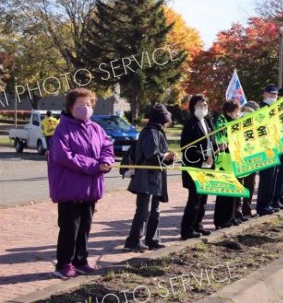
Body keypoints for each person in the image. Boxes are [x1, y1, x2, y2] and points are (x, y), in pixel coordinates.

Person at [48, 88, 114, 279]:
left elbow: (107, 147)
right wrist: (95, 166)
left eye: (88, 104)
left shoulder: (96, 128)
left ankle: (80, 260)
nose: (85, 108)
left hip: (91, 188)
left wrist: (106, 162)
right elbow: (64, 156)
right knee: (70, 227)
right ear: (70, 107)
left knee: (85, 226)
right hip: (70, 188)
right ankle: (63, 264)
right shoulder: (63, 129)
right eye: (80, 104)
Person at [124, 104, 174, 252]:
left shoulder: (157, 131)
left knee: (155, 209)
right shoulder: (150, 132)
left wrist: (168, 158)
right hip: (146, 177)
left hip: (155, 177)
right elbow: (151, 154)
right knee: (143, 210)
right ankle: (133, 241)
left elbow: (158, 154)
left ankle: (152, 239)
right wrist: (165, 156)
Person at [180, 94, 216, 239]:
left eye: (205, 105)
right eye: (200, 105)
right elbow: (186, 147)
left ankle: (198, 225)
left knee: (203, 199)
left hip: (208, 166)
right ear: (193, 107)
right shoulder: (190, 124)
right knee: (194, 199)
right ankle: (187, 229)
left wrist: (218, 147)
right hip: (195, 166)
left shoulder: (208, 122)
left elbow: (211, 142)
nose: (203, 108)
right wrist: (203, 156)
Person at [213, 100, 243, 228]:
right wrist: (224, 142)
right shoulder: (221, 121)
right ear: (229, 112)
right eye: (236, 111)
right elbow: (220, 138)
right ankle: (221, 220)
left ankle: (231, 217)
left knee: (233, 191)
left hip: (234, 159)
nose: (238, 113)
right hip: (224, 160)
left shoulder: (236, 122)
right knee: (224, 192)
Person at [256, 84, 280, 216]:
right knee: (266, 178)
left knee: (273, 177)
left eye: (275, 95)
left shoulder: (275, 109)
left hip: (275, 146)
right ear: (264, 94)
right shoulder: (261, 109)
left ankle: (268, 203)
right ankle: (262, 206)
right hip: (265, 147)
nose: (273, 97)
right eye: (271, 94)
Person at [240, 101, 260, 217]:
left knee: (250, 184)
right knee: (241, 184)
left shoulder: (257, 123)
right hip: (240, 157)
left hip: (252, 156)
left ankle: (246, 211)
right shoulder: (237, 122)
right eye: (247, 110)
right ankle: (237, 212)